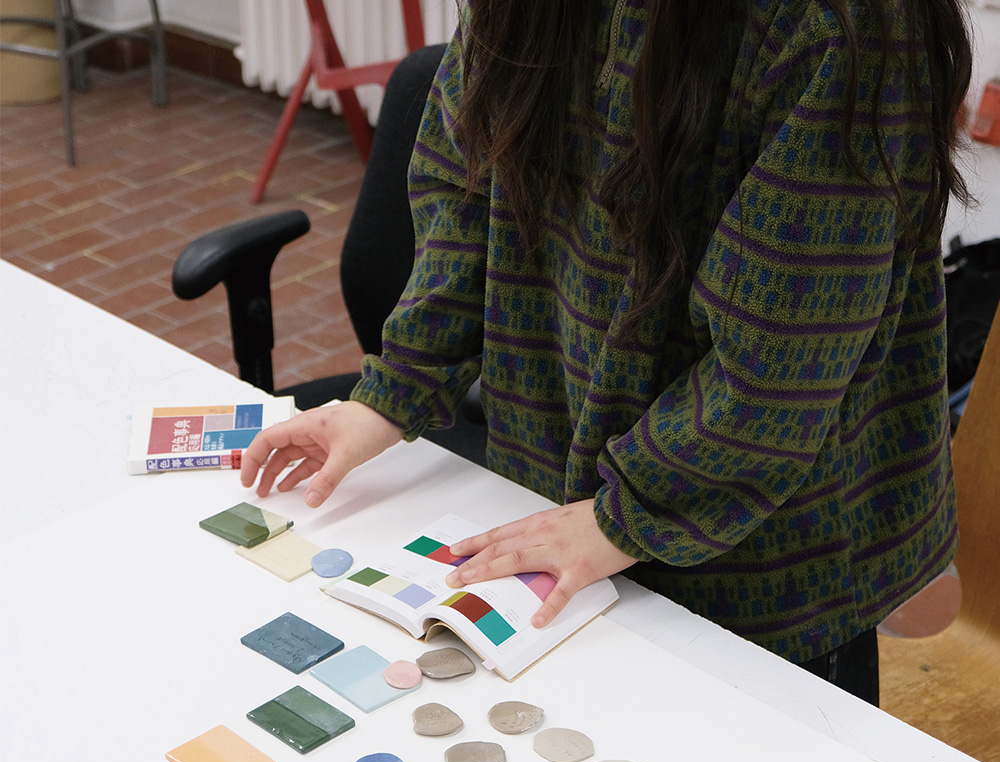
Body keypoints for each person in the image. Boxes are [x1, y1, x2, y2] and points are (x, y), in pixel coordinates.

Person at [241, 0, 974, 705]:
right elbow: (467, 186)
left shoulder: (838, 21)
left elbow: (783, 357)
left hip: (765, 549)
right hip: (560, 477)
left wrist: (627, 513)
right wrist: (394, 390)